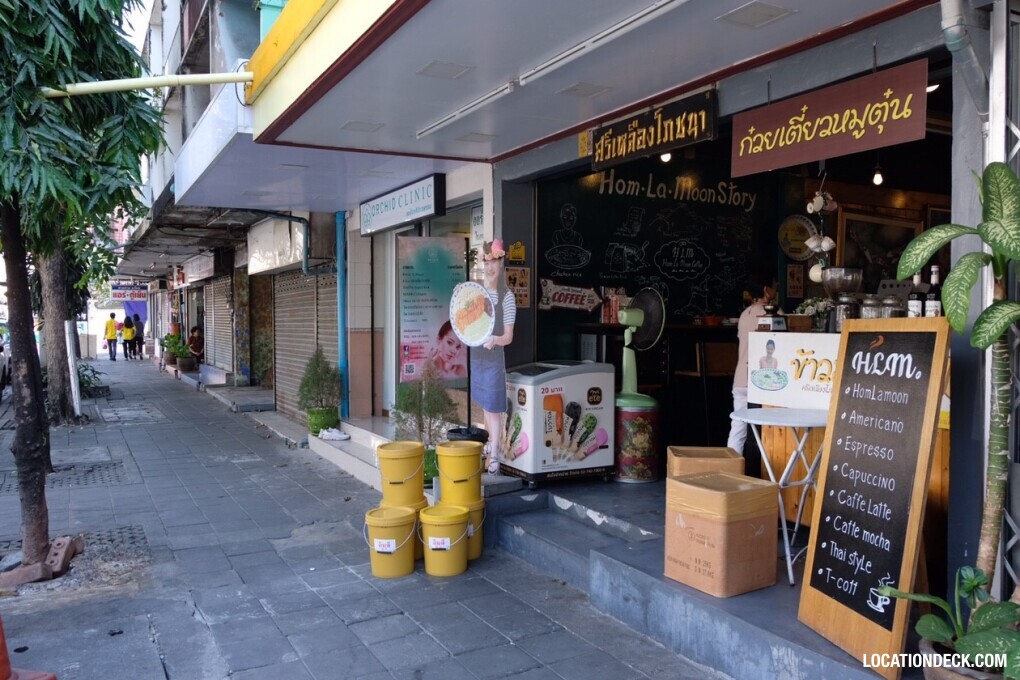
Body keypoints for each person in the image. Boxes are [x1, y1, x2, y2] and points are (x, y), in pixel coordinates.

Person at [470, 239, 516, 475]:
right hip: (476, 356)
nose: (490, 267)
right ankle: (490, 447)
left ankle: (495, 453)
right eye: (486, 261)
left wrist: (494, 340)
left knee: (494, 406)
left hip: (494, 357)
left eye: (495, 262)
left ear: (501, 264)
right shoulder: (475, 291)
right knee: (486, 407)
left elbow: (508, 336)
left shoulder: (507, 297)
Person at [727, 270, 777, 457]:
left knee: (738, 425)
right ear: (766, 290)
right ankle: (766, 470)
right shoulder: (774, 313)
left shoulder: (745, 314)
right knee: (770, 428)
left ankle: (731, 468)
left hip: (741, 378)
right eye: (774, 285)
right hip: (765, 379)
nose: (776, 288)